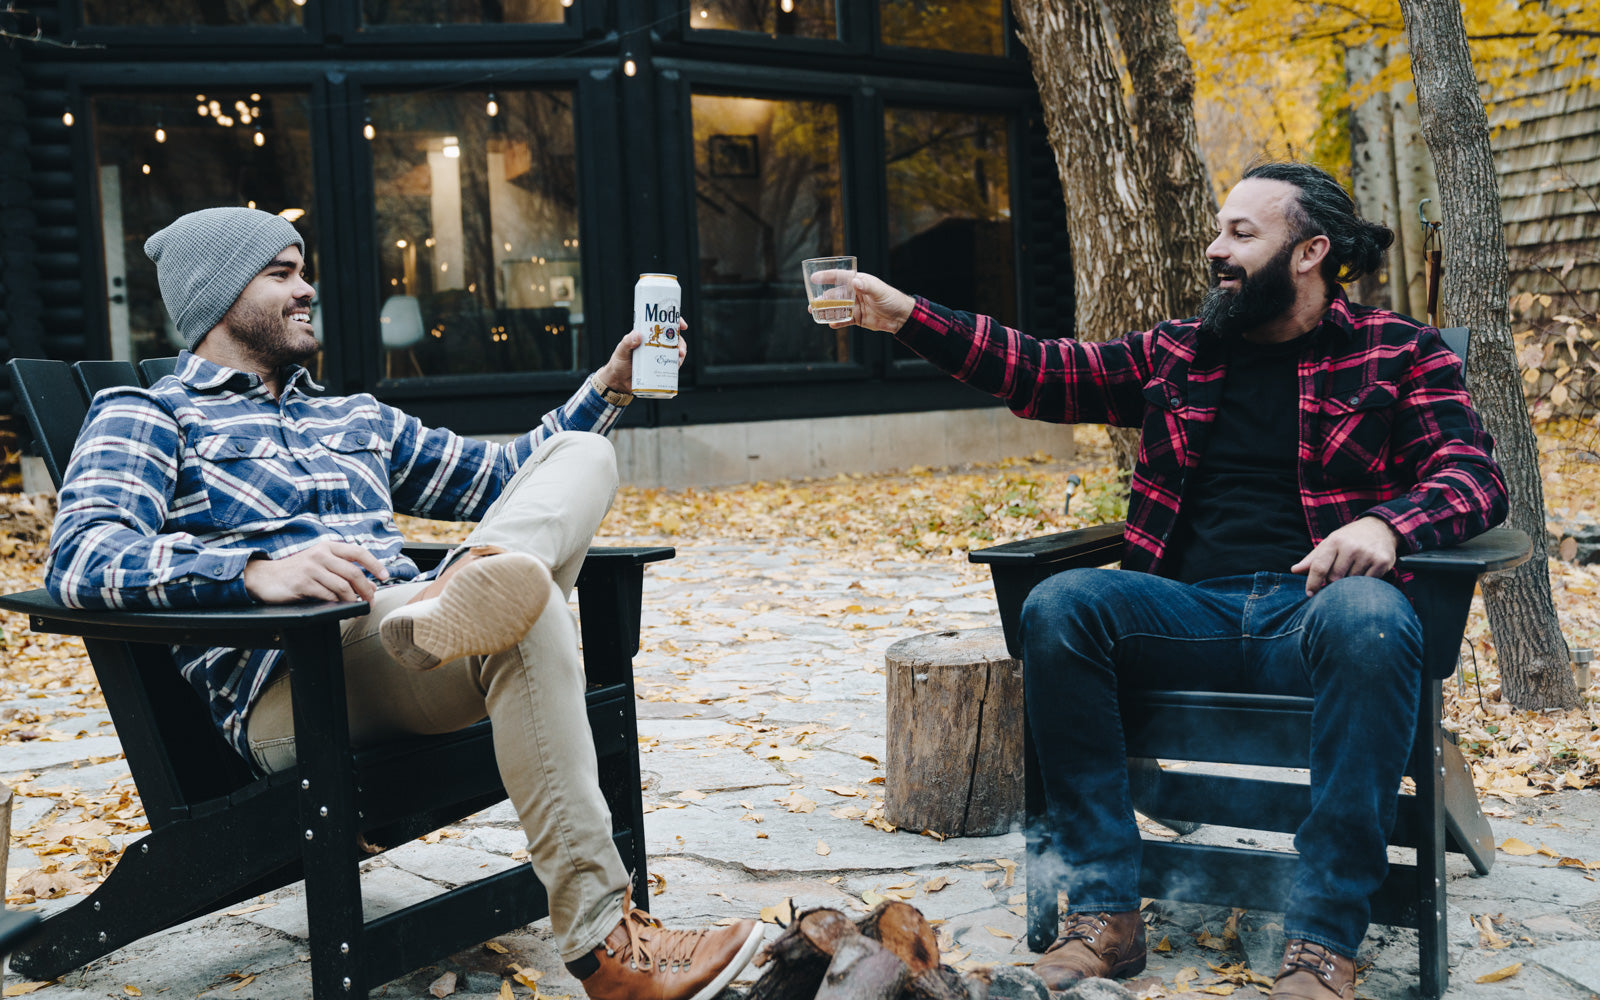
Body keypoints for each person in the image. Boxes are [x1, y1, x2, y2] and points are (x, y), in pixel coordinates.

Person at [828, 163, 1508, 1000]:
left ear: (1311, 252)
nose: (1217, 250)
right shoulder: (1179, 353)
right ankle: (1105, 916)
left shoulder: (1401, 352)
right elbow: (1045, 370)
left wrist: (1385, 526)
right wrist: (905, 315)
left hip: (1320, 620)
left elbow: (1473, 477)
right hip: (1186, 615)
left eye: (1242, 235)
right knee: (1062, 602)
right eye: (1219, 231)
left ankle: (1323, 946)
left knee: (1373, 611)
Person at [46, 207, 762, 1000]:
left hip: (409, 640)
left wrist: (608, 388)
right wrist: (253, 568)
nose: (307, 288)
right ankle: (607, 946)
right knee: (530, 609)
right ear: (215, 297)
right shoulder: (147, 414)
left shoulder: (352, 417)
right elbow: (82, 555)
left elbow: (506, 479)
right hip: (298, 687)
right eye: (280, 274)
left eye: (301, 270)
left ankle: (470, 588)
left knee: (580, 458)